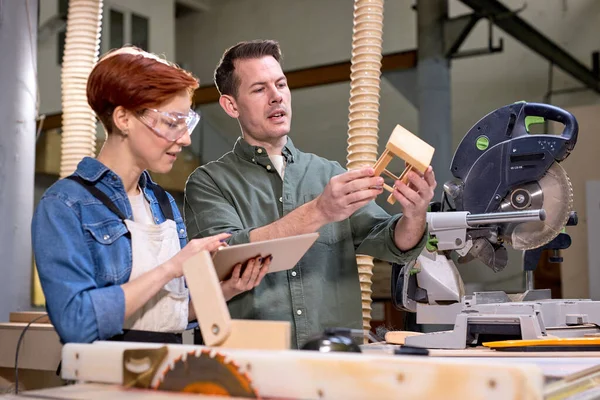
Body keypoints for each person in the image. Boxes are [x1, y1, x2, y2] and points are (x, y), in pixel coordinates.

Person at [183, 40, 437, 348]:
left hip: (335, 358)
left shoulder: (328, 173)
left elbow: (393, 242)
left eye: (281, 84)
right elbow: (222, 258)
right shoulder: (209, 182)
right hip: (254, 362)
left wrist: (415, 212)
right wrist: (319, 212)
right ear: (231, 105)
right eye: (259, 89)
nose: (276, 96)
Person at [31, 46, 269, 345]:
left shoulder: (162, 202)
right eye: (172, 123)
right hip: (102, 378)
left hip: (168, 368)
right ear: (124, 119)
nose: (185, 139)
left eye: (186, 123)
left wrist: (228, 289)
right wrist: (171, 268)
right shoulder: (65, 205)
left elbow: (169, 315)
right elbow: (76, 324)